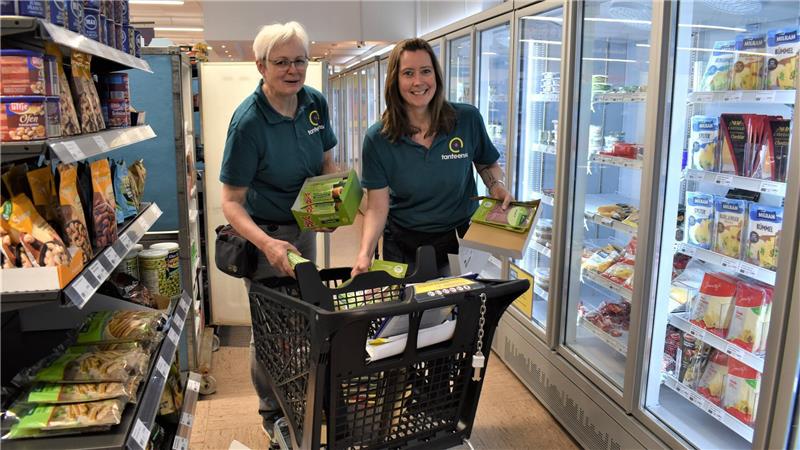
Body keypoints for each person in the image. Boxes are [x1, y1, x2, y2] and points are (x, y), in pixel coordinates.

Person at [218, 21, 337, 438]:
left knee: (305, 319)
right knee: (269, 329)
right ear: (261, 66)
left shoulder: (314, 103)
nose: (293, 69)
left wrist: (331, 197)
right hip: (264, 237)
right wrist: (269, 244)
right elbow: (231, 201)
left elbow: (326, 162)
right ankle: (273, 414)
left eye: (300, 60)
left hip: (303, 230)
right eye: (281, 61)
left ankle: (303, 395)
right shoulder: (248, 123)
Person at [352, 38, 512, 278]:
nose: (418, 82)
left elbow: (486, 161)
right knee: (411, 312)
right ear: (395, 81)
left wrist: (496, 186)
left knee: (462, 308)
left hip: (461, 239)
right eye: (408, 73)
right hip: (405, 242)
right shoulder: (378, 138)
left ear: (436, 76)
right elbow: (377, 206)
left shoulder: (466, 119)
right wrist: (364, 254)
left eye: (425, 71)